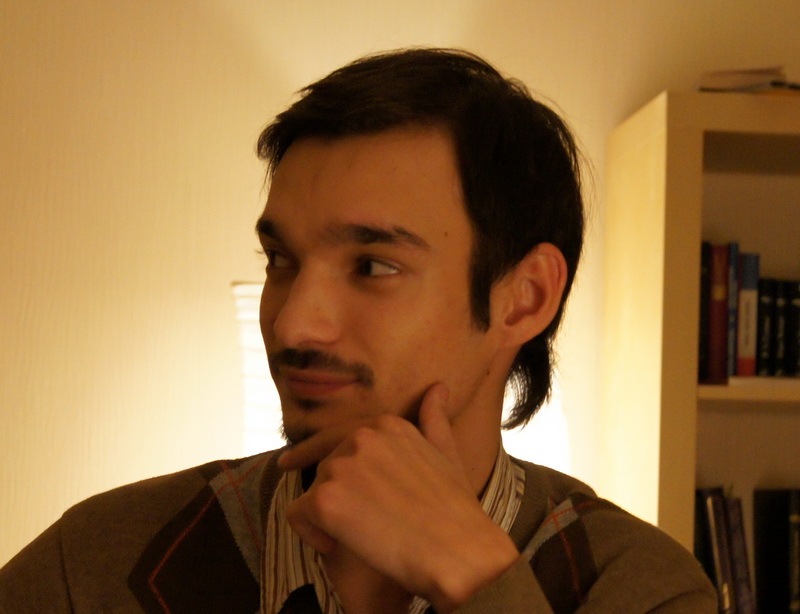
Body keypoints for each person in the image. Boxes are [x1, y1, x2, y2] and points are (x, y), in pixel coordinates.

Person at [0, 48, 715, 613]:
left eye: (372, 266)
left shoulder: (637, 588)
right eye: (281, 260)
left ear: (523, 300)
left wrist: (476, 581)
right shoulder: (96, 565)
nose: (292, 322)